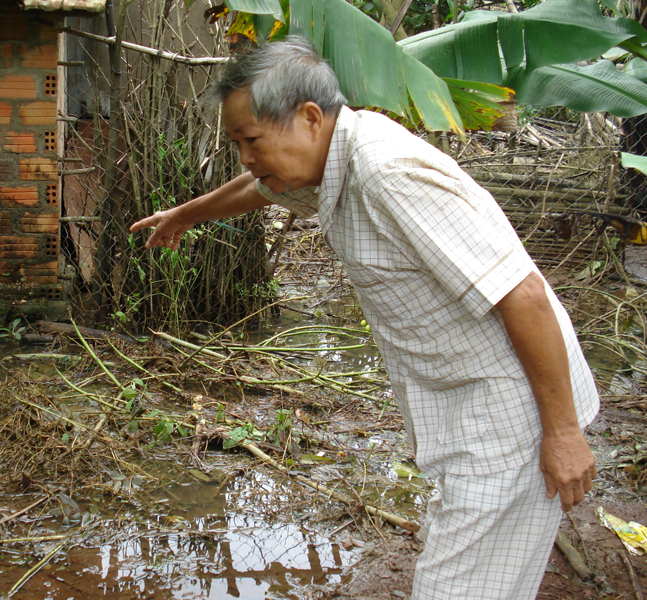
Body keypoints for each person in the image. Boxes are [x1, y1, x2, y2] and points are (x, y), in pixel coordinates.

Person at [129, 36, 601, 599]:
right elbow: (257, 188)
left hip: (512, 418)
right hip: (470, 411)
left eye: (250, 139)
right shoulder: (331, 161)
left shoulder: (388, 173)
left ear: (308, 118)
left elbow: (522, 293)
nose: (246, 157)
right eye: (238, 142)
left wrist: (564, 434)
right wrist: (185, 215)